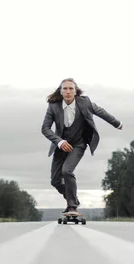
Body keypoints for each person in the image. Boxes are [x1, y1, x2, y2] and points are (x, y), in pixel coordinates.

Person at [41, 78, 123, 214]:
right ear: (60, 92)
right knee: (55, 181)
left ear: (75, 91)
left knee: (67, 171)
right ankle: (72, 198)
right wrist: (59, 142)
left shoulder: (84, 103)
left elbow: (101, 112)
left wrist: (117, 123)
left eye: (71, 88)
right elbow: (45, 128)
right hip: (61, 145)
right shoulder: (53, 106)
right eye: (65, 89)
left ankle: (72, 206)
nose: (68, 91)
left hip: (78, 144)